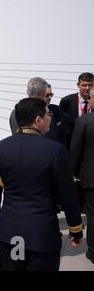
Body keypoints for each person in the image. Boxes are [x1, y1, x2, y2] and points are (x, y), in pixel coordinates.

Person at [0, 98, 83, 271]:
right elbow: (68, 194)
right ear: (38, 120)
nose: (50, 119)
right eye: (48, 114)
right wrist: (75, 228)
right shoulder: (55, 150)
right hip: (42, 234)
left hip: (11, 234)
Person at [70, 87, 94, 264]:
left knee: (93, 216)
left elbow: (75, 150)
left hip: (91, 178)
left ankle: (93, 251)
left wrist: (73, 173)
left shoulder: (84, 121)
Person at [59, 72, 94, 148]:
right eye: (84, 85)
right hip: (71, 143)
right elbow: (61, 123)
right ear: (78, 85)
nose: (87, 88)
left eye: (90, 85)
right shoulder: (66, 101)